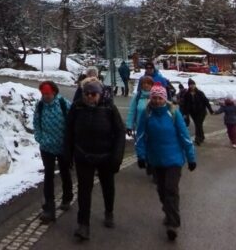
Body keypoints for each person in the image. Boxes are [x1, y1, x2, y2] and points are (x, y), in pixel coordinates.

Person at [65, 78, 126, 240]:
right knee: (84, 190)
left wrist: (117, 157)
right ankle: (83, 225)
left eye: (93, 94)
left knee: (107, 186)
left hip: (105, 155)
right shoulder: (77, 107)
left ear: (99, 94)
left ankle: (109, 211)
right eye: (87, 94)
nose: (90, 97)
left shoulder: (109, 108)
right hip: (83, 154)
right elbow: (69, 131)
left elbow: (120, 132)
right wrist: (68, 154)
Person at [135, 84, 196, 242]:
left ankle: (173, 224)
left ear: (164, 99)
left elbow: (184, 137)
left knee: (171, 190)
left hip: (174, 159)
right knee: (162, 190)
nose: (156, 101)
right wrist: (141, 156)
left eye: (159, 98)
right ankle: (168, 211)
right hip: (155, 160)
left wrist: (191, 158)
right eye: (154, 98)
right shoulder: (146, 114)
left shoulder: (173, 113)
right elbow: (140, 136)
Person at [33, 81, 73, 222]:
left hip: (63, 146)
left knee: (64, 171)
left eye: (48, 94)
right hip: (46, 147)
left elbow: (72, 121)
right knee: (48, 175)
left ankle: (67, 197)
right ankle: (49, 208)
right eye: (43, 94)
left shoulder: (64, 104)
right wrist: (40, 138)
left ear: (54, 93)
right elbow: (36, 123)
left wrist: (70, 140)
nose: (46, 96)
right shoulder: (40, 106)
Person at [180, 79, 213, 146]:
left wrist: (210, 110)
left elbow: (206, 101)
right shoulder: (187, 94)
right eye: (190, 85)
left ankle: (198, 139)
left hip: (201, 112)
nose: (192, 86)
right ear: (189, 86)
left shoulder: (200, 93)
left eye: (193, 84)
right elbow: (185, 104)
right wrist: (185, 113)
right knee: (198, 125)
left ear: (195, 85)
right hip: (193, 113)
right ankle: (202, 136)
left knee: (198, 124)